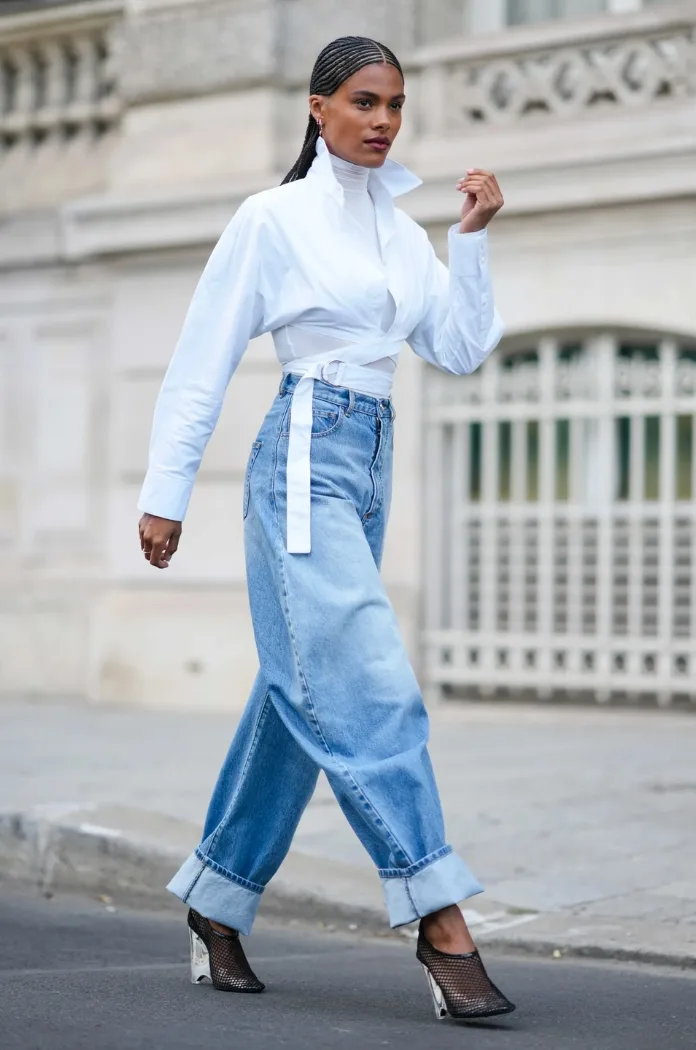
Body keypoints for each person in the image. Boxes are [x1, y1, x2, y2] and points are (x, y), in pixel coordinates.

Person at [137, 35, 513, 1022]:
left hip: (370, 458)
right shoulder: (274, 219)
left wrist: (470, 237)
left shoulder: (401, 229)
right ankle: (437, 910)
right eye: (363, 101)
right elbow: (203, 353)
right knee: (367, 680)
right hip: (301, 459)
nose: (383, 120)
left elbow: (462, 349)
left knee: (301, 690)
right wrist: (165, 491)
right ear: (318, 107)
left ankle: (217, 900)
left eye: (394, 104)